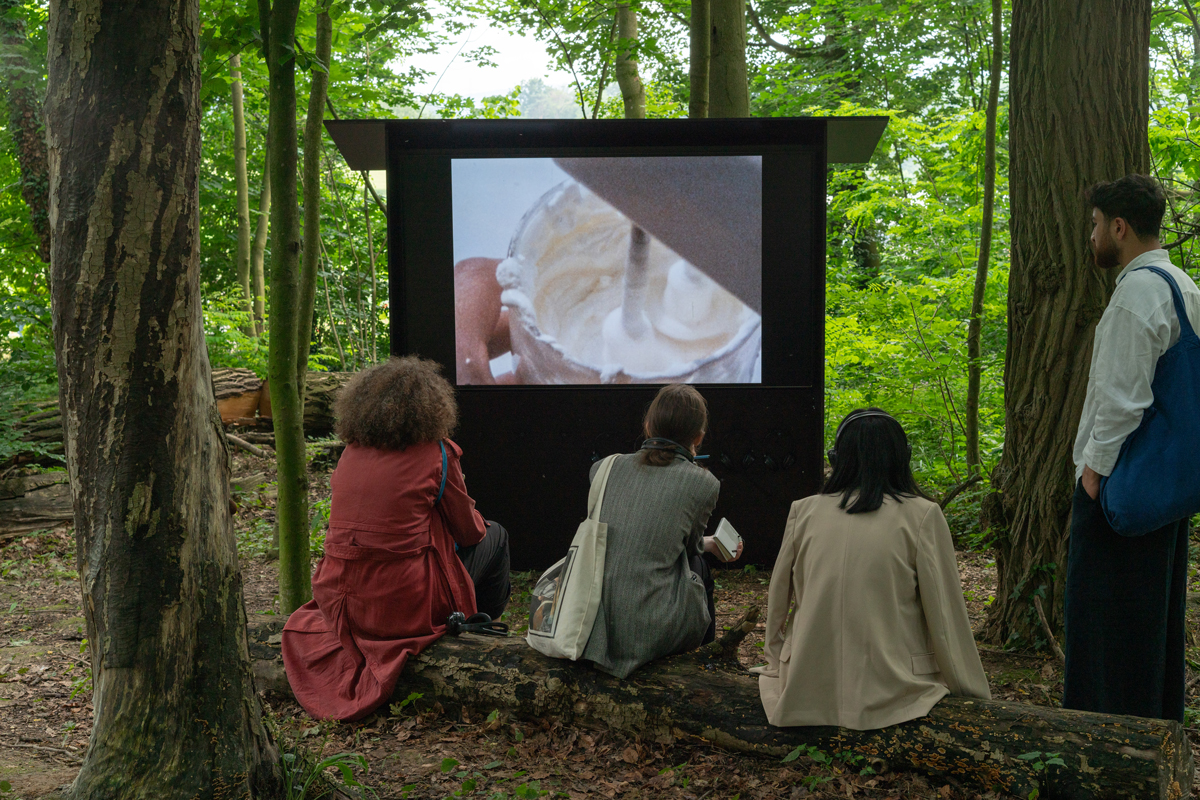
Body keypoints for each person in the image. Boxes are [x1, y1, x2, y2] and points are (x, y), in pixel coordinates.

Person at [281, 357, 511, 721]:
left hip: (339, 602)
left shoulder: (350, 454)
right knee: (496, 535)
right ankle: (477, 635)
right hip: (399, 605)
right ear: (432, 408)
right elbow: (472, 532)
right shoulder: (438, 454)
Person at [757, 409, 990, 730]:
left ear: (836, 459)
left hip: (806, 685)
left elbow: (777, 601)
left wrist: (775, 662)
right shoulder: (923, 515)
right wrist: (971, 691)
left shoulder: (805, 511)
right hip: (895, 693)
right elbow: (946, 616)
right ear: (902, 458)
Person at [1065, 174, 1200, 722]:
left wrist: (1093, 475)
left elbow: (1120, 401)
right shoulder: (1184, 286)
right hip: (1165, 487)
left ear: (1119, 227)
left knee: (1106, 632)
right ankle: (1152, 735)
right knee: (1152, 624)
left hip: (1123, 487)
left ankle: (1103, 749)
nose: (1092, 236)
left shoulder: (1136, 296)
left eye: (1096, 225)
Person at [580, 383, 743, 678]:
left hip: (589, 621)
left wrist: (702, 544)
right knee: (699, 569)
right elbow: (690, 547)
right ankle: (704, 669)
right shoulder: (703, 484)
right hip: (647, 628)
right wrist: (709, 545)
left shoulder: (602, 468)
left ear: (647, 425)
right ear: (698, 437)